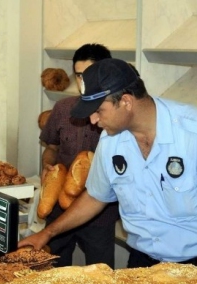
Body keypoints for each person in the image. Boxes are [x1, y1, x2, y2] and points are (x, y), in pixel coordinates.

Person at [21, 58, 197, 276]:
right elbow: (96, 197)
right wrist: (48, 233)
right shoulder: (110, 141)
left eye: (98, 110)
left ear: (126, 102)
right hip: (142, 264)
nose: (92, 120)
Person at [40, 43, 120, 268]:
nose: (83, 83)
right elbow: (51, 148)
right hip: (60, 206)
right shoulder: (63, 109)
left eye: (90, 75)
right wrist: (47, 165)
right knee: (52, 271)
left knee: (99, 275)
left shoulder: (118, 115)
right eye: (78, 76)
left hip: (100, 214)